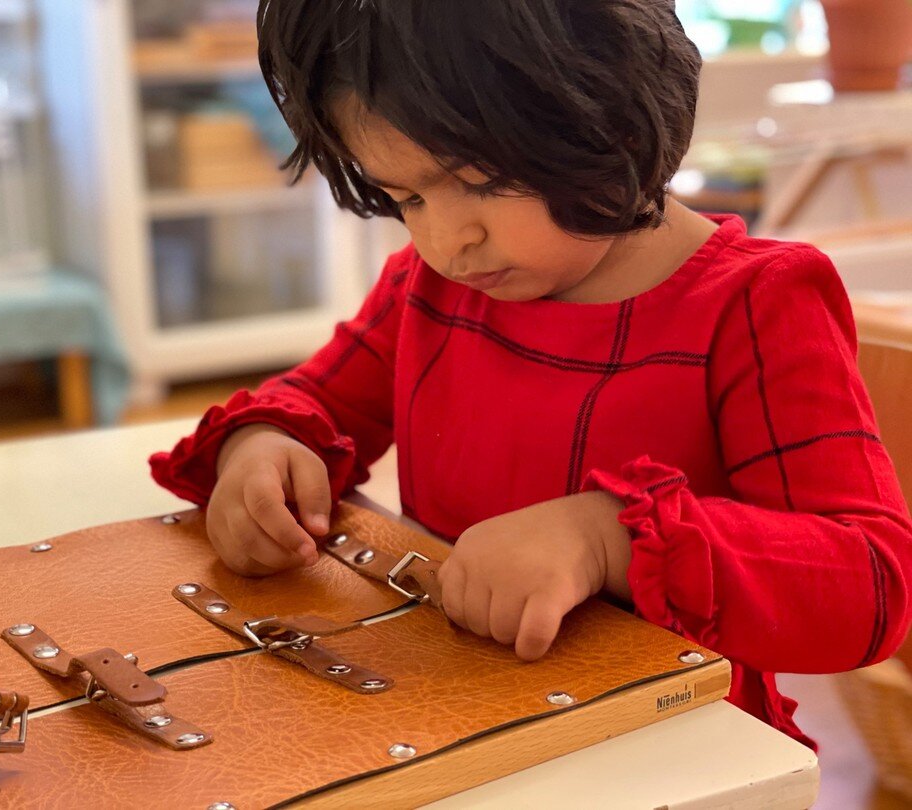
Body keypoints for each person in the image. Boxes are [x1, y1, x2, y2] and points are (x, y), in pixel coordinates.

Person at [150, 0, 912, 748]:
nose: (448, 239)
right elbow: (314, 399)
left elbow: (869, 587)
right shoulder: (430, 287)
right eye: (406, 196)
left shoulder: (755, 302)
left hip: (670, 749)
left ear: (610, 112)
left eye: (481, 182)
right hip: (458, 723)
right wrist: (260, 448)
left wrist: (607, 540)